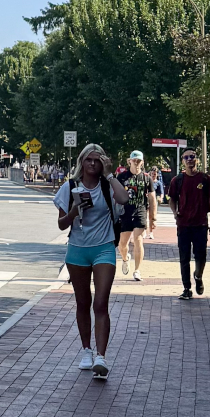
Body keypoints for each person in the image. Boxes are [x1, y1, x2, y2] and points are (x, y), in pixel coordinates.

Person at [54, 143, 129, 380]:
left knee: (101, 302)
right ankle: (86, 350)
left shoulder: (108, 187)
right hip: (77, 251)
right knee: (82, 302)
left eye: (98, 161)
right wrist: (76, 210)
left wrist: (110, 174)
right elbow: (62, 224)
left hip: (104, 249)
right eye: (89, 160)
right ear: (82, 162)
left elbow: (124, 199)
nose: (93, 164)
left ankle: (101, 356)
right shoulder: (70, 187)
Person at [169, 150, 210, 299]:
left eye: (192, 157)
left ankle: (198, 276)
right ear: (183, 161)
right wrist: (174, 212)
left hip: (200, 224)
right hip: (183, 224)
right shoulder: (177, 180)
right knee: (184, 257)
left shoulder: (206, 179)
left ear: (197, 159)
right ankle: (186, 288)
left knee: (201, 256)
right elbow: (172, 199)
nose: (190, 159)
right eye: (186, 157)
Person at [116, 151, 158, 281]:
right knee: (122, 244)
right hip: (125, 212)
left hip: (140, 211)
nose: (136, 163)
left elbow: (152, 199)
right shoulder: (122, 177)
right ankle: (125, 258)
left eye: (139, 161)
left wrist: (153, 218)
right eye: (134, 160)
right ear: (129, 161)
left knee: (138, 239)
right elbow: (115, 196)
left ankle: (137, 270)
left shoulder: (146, 179)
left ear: (142, 162)